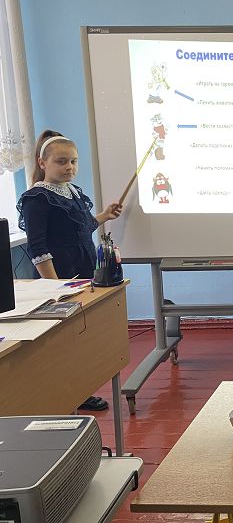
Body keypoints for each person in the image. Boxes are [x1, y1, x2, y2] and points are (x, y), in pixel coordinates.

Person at [17, 130, 122, 411]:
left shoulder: (72, 192)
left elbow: (81, 228)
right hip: (60, 279)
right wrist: (55, 289)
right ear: (43, 163)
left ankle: (79, 389)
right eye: (61, 162)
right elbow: (38, 247)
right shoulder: (36, 198)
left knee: (81, 334)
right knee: (64, 340)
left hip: (83, 272)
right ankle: (65, 394)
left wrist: (104, 215)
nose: (69, 167)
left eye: (73, 161)